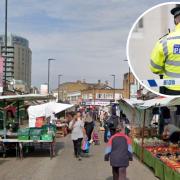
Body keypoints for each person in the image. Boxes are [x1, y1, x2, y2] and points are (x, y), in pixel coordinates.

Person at [150, 6, 180, 95]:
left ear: (175, 21)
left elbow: (154, 68)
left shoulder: (164, 41)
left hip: (171, 90)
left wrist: (165, 69)